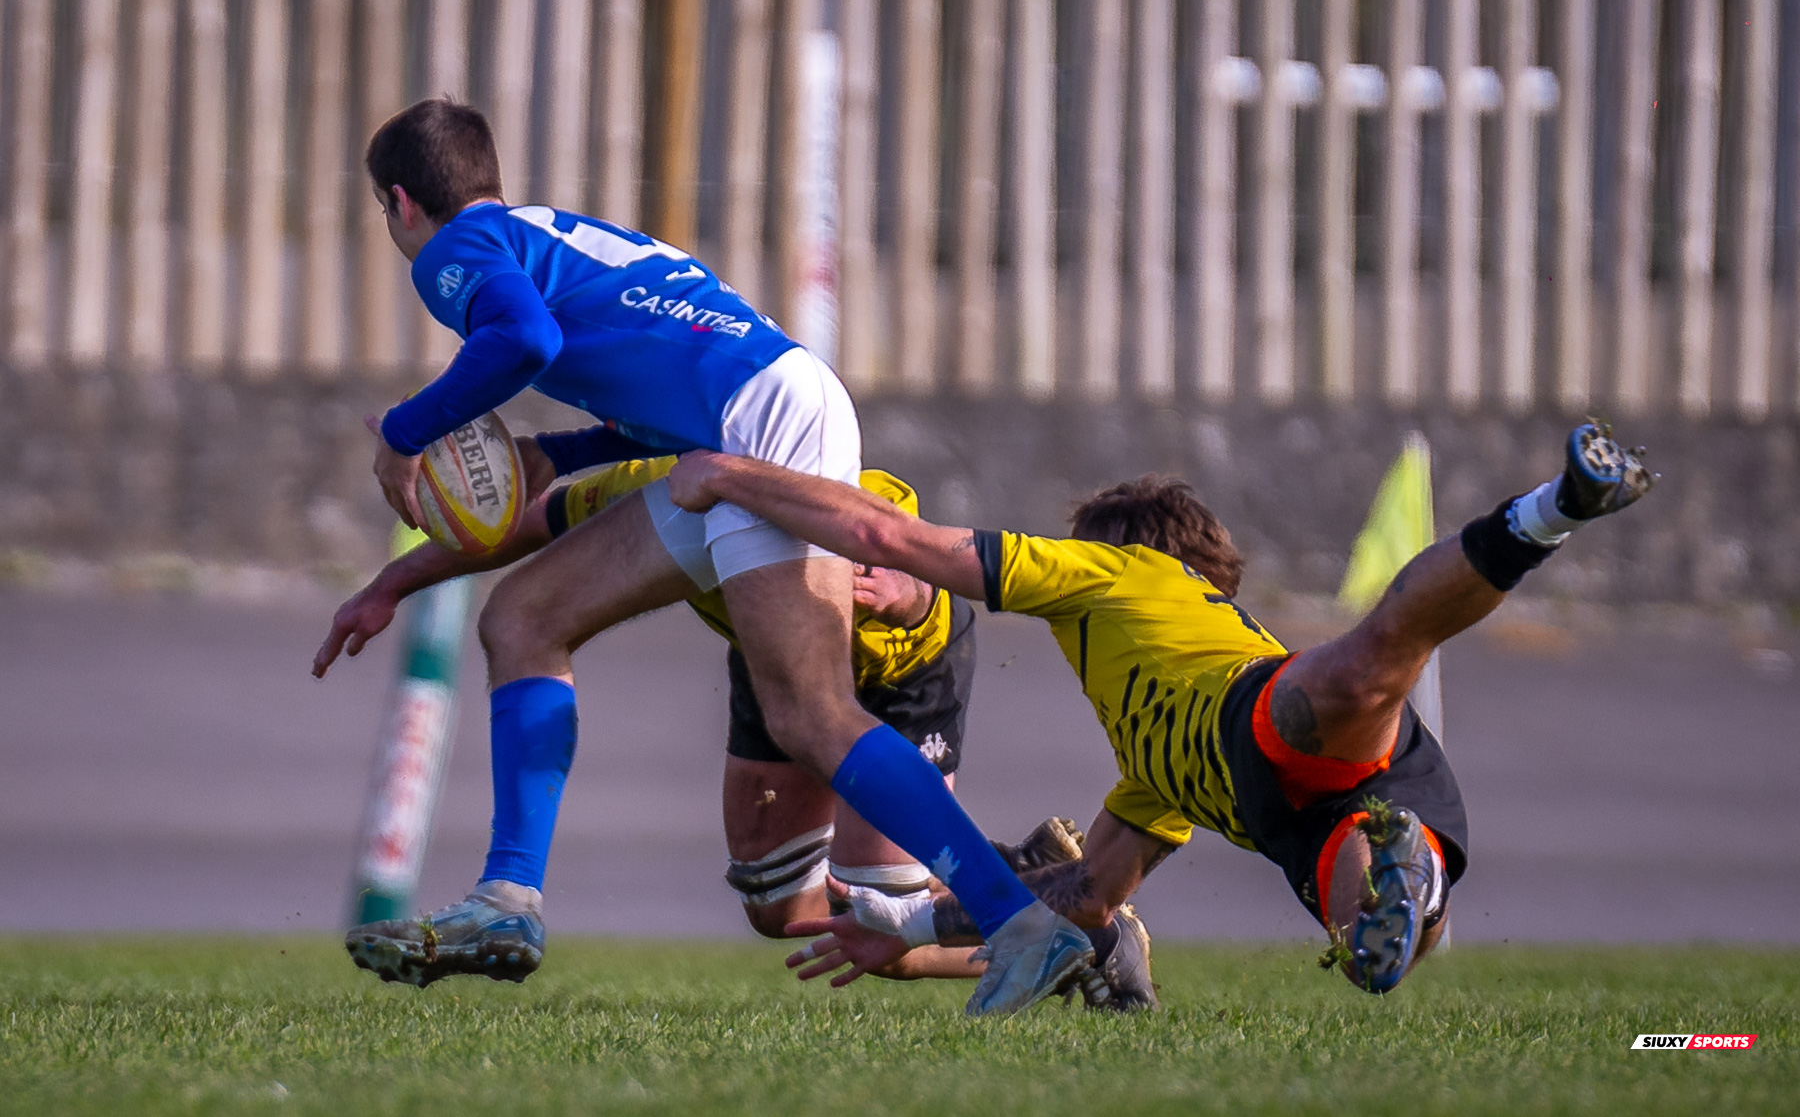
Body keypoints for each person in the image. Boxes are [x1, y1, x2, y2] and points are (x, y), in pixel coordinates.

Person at [331, 99, 1090, 1015]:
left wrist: (407, 434)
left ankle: (1022, 920)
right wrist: (545, 460)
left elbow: (521, 341)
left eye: (387, 214)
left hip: (757, 430)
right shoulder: (549, 241)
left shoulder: (458, 250)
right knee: (523, 618)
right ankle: (508, 900)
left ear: (402, 204)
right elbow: (640, 405)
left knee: (810, 712)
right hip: (740, 428)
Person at [665, 423, 1656, 996]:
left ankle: (1555, 506)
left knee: (1369, 663)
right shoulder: (1152, 776)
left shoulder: (1116, 569)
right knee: (1376, 947)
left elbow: (896, 532)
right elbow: (1087, 896)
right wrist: (910, 931)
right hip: (1317, 810)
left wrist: (731, 476)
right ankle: (1415, 880)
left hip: (1266, 718)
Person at [318, 446, 1146, 1001]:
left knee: (880, 918)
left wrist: (913, 589)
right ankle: (1030, 871)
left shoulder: (837, 482)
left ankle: (1082, 934)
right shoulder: (663, 479)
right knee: (778, 910)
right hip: (775, 663)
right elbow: (529, 523)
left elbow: (918, 547)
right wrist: (393, 581)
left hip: (903, 673)